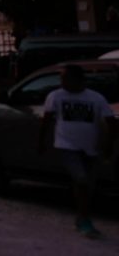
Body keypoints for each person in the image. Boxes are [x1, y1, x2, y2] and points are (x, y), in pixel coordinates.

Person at [39, 64, 115, 238]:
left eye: (66, 78)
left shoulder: (96, 98)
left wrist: (109, 144)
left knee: (87, 185)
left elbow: (112, 122)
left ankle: (81, 217)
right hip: (66, 146)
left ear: (79, 80)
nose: (62, 82)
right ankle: (85, 220)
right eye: (61, 79)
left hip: (89, 148)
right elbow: (47, 120)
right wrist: (41, 142)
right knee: (81, 180)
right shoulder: (55, 96)